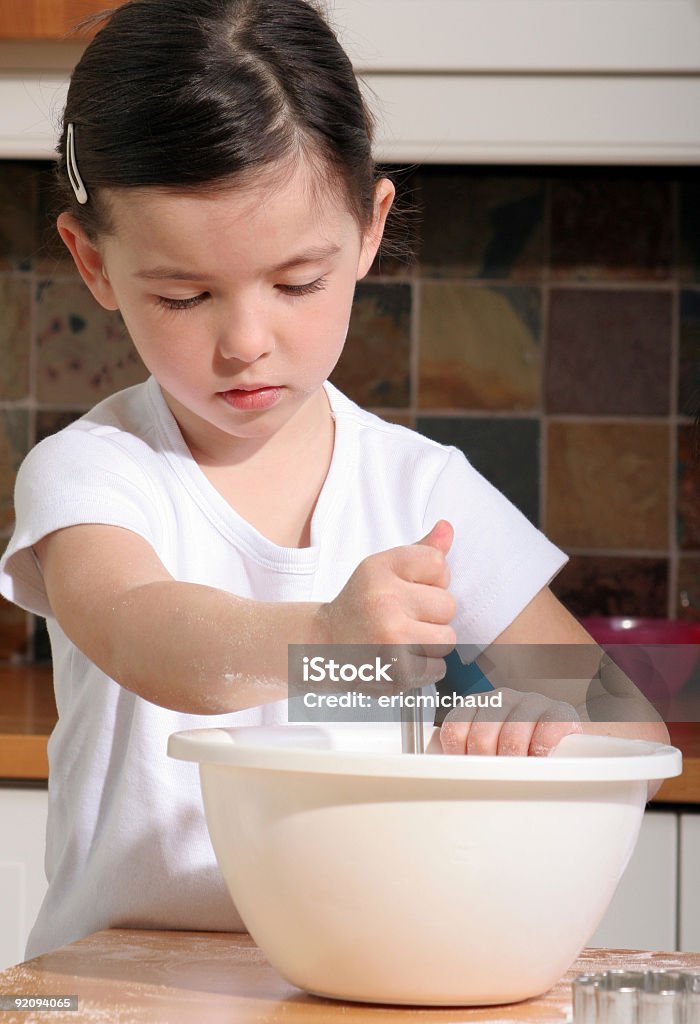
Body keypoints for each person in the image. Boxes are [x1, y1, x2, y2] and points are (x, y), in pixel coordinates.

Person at [0, 0, 668, 959]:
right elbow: (148, 636)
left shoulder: (424, 494)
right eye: (182, 295)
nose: (246, 342)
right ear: (93, 262)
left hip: (370, 974)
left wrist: (531, 724)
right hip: (126, 984)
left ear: (369, 226)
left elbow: (624, 726)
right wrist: (326, 636)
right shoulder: (93, 476)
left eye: (297, 283)